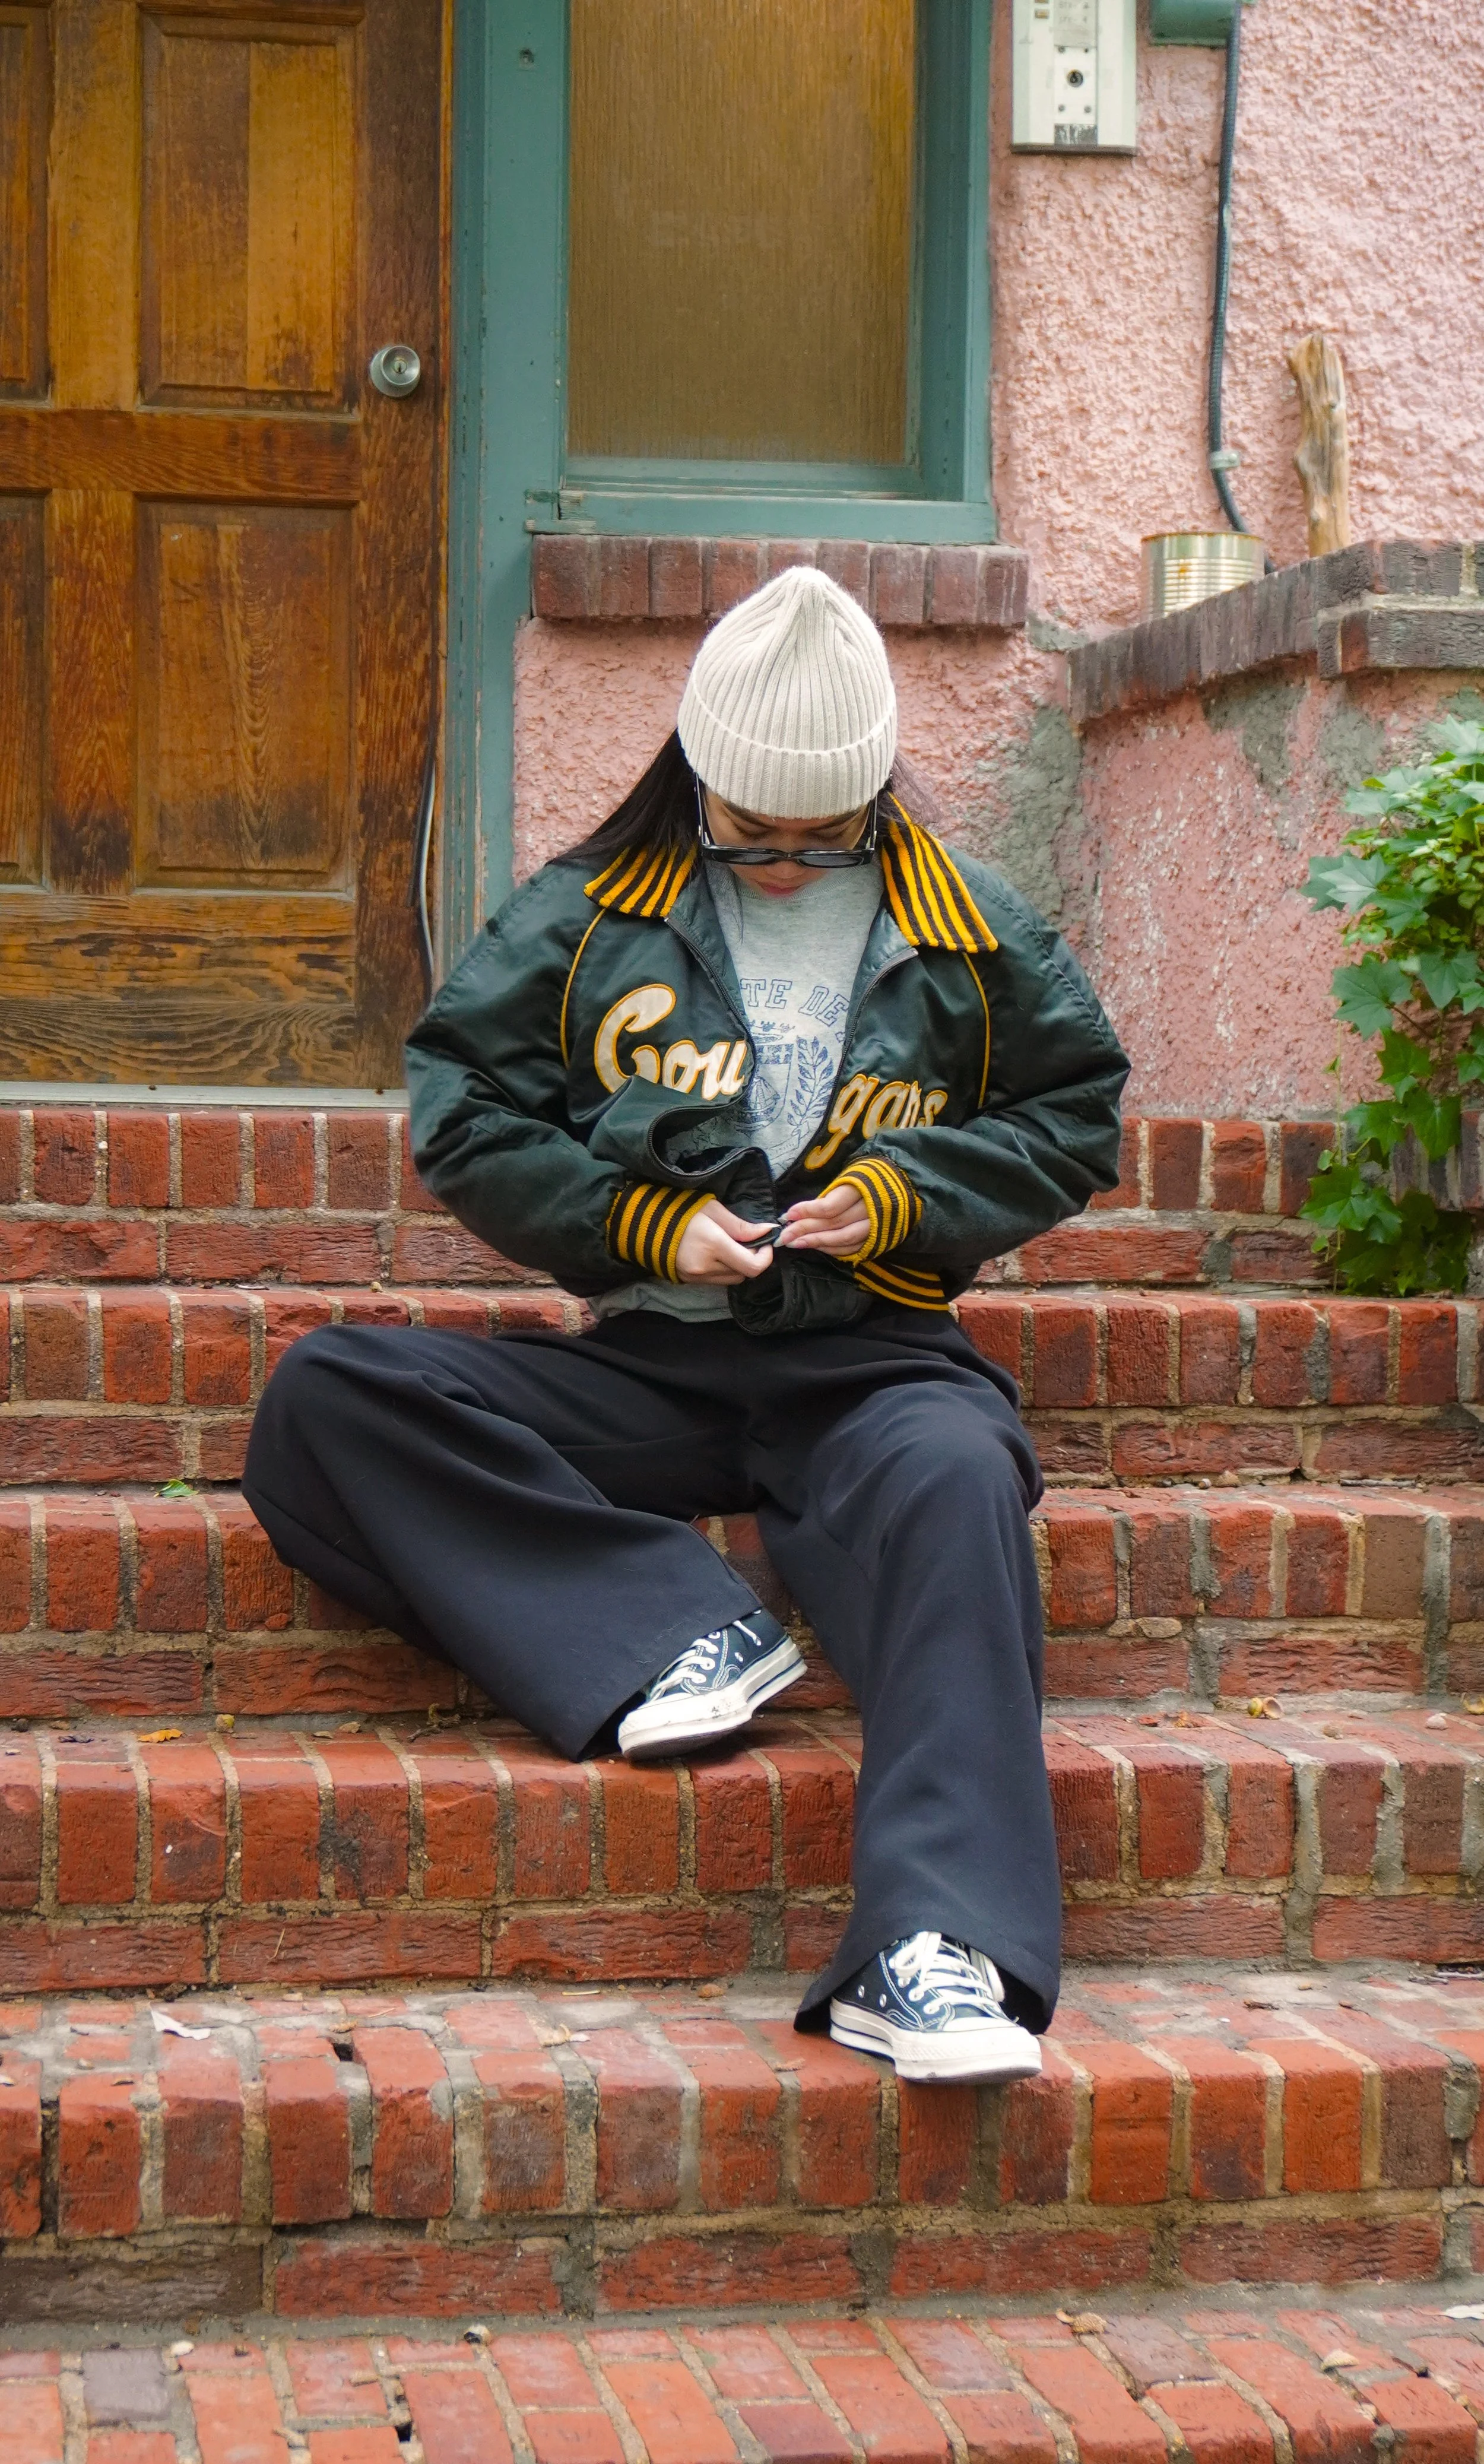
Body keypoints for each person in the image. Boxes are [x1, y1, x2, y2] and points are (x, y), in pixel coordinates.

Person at [245, 567, 1128, 2084]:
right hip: (651, 1363)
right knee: (329, 1393)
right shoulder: (593, 911)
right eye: (748, 831)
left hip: (877, 1366)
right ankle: (675, 1634)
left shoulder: (971, 926)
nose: (784, 865)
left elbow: (1073, 1110)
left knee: (956, 1478)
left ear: (874, 793)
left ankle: (939, 1954)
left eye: (822, 836)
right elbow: (464, 1105)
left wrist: (909, 1197)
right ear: (692, 774)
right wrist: (644, 1226)